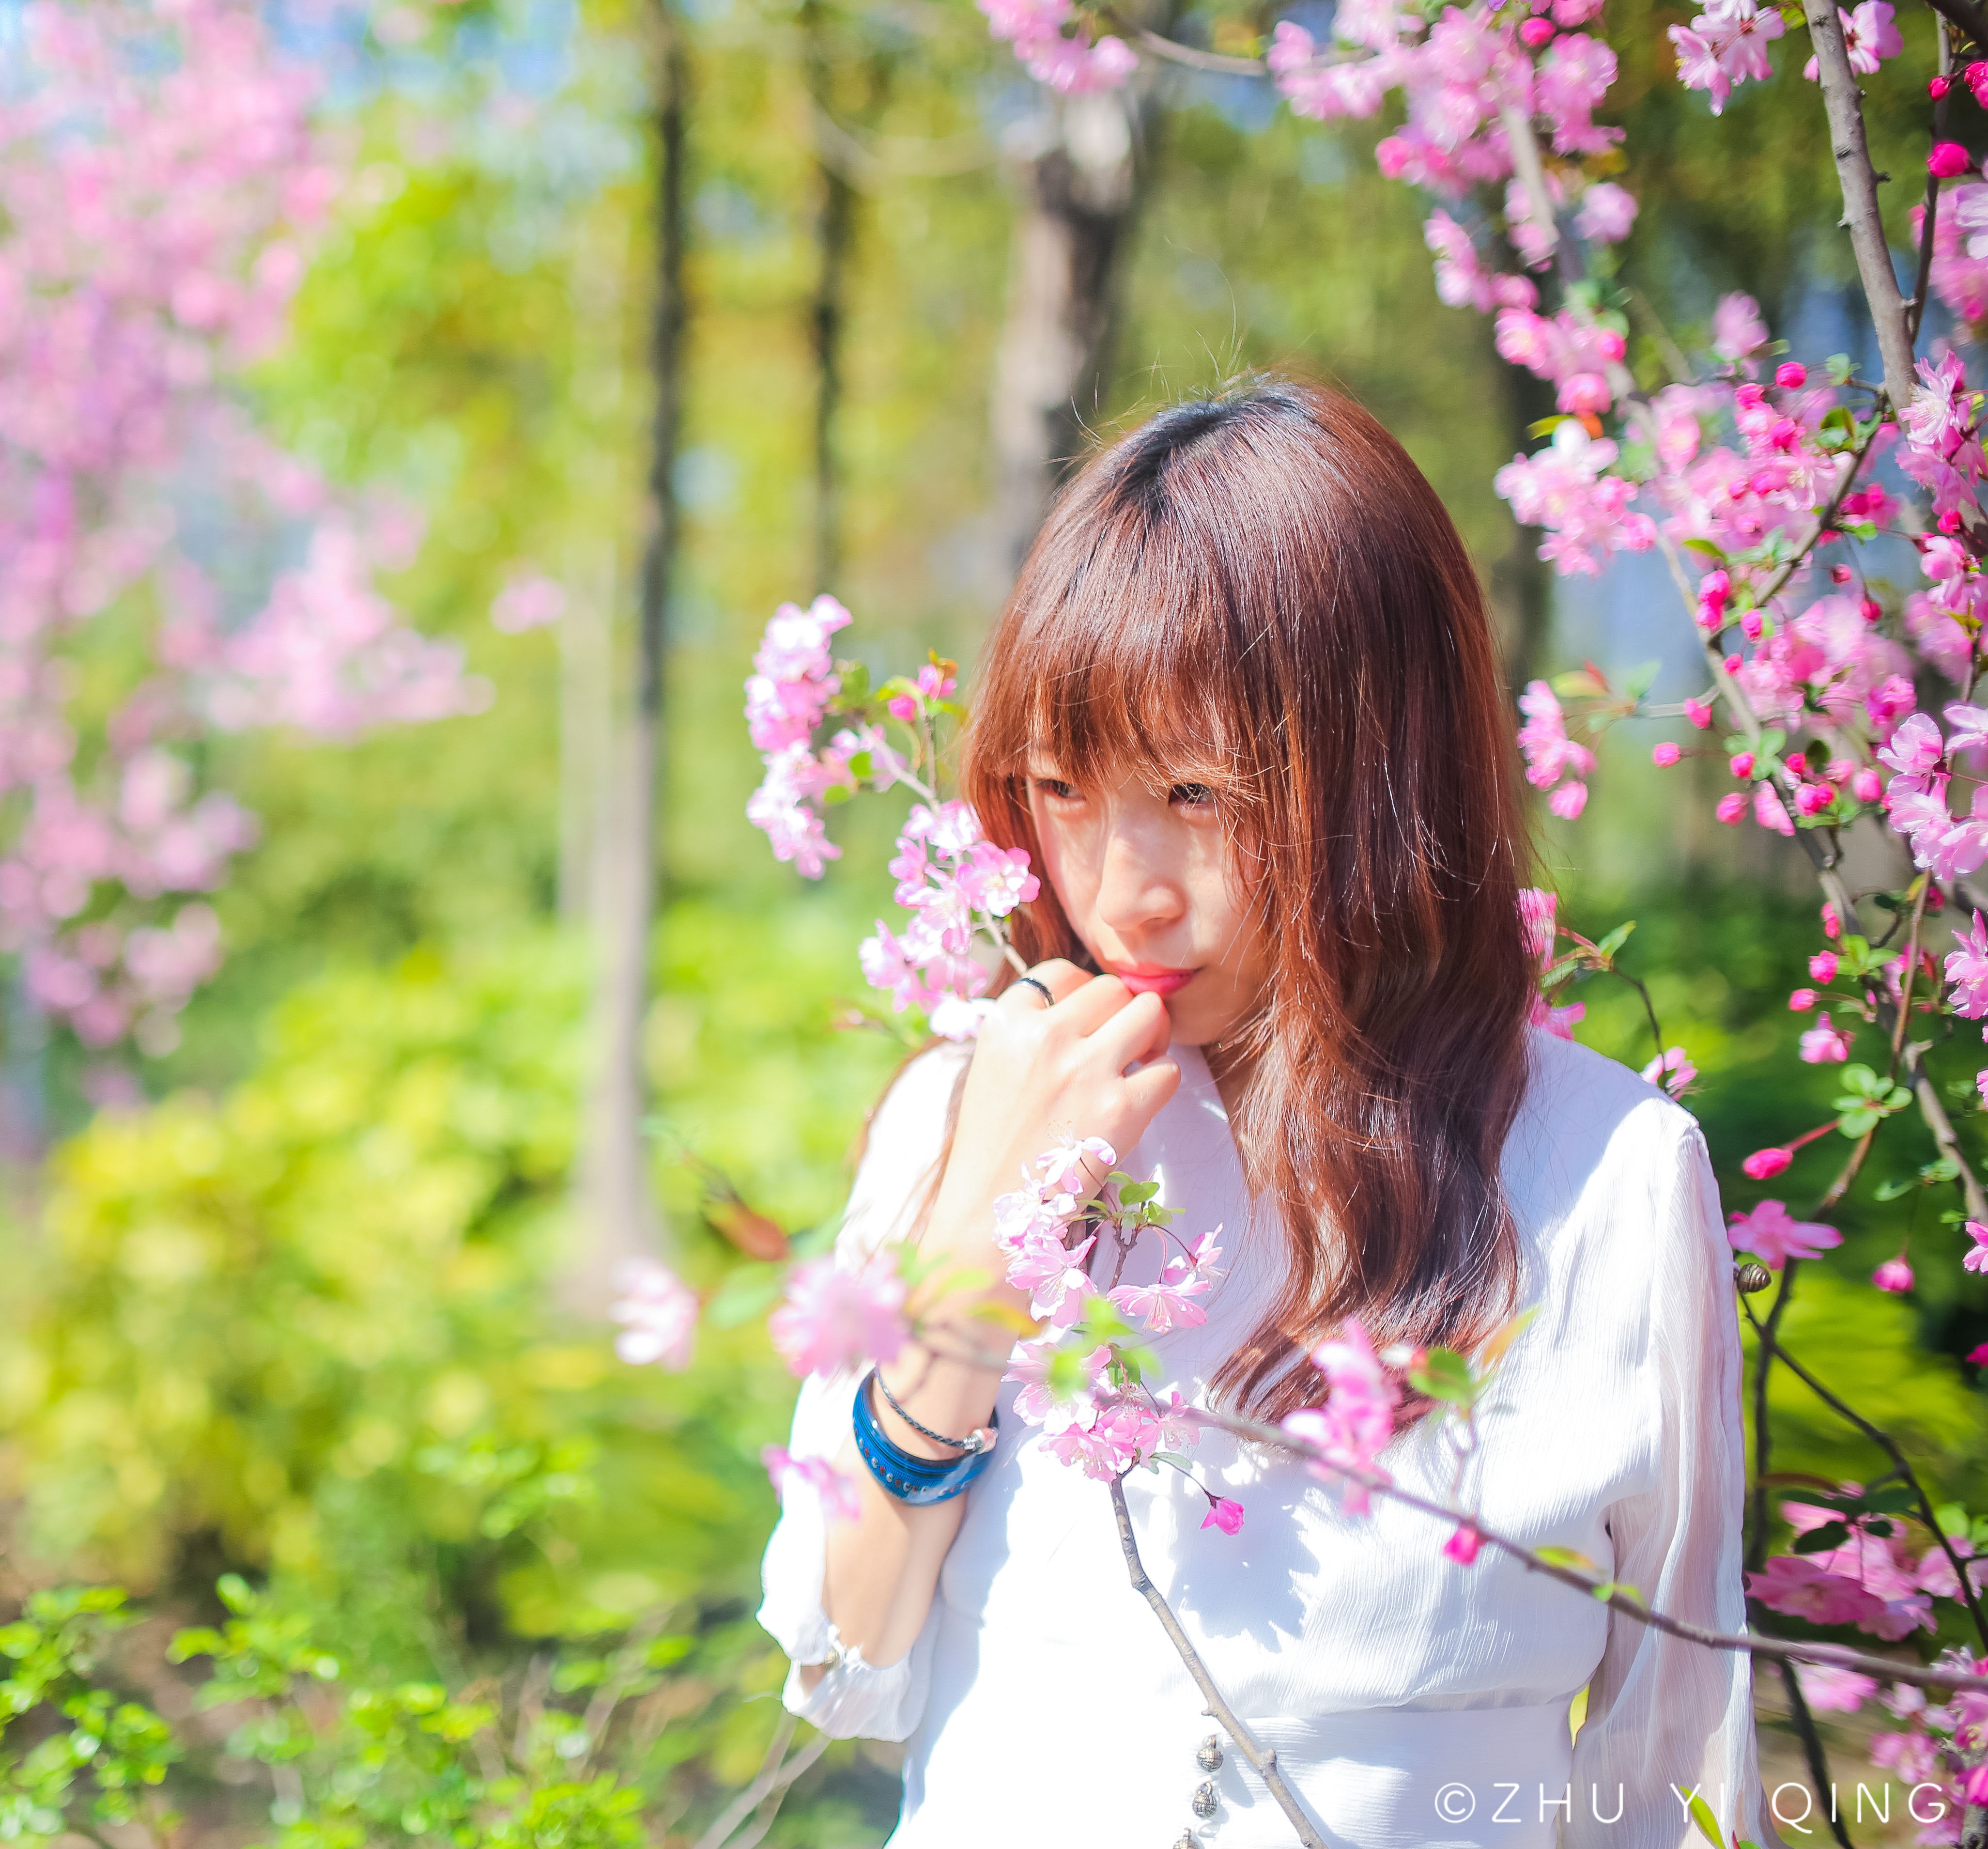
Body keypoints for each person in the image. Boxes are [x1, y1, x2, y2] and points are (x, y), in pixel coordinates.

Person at [755, 380, 1766, 1848]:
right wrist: (975, 1248)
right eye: (1063, 787)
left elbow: (1675, 1767)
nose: (1122, 892)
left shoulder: (1602, 1174)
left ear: (1383, 772)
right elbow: (842, 1654)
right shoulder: (966, 1108)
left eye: (1199, 792)